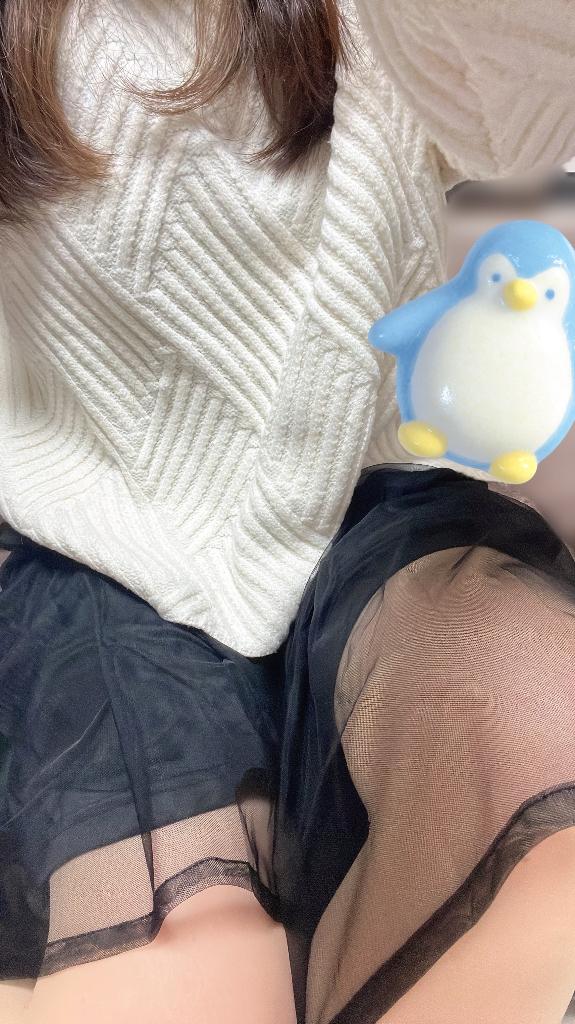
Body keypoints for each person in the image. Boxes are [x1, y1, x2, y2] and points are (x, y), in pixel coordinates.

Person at [2, 2, 575, 1022]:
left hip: (378, 510)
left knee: (547, 804)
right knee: (180, 956)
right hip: (107, 538)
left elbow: (529, 111)